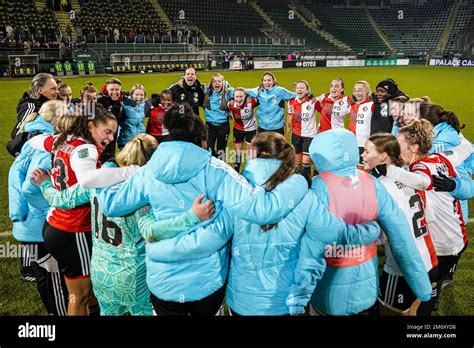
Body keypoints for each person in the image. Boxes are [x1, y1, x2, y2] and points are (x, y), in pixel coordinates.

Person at [97, 103, 310, 316]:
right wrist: (298, 181)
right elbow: (262, 209)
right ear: (202, 140)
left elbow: (111, 204)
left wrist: (109, 168)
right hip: (206, 281)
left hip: (163, 281)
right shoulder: (217, 170)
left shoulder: (148, 172)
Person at [31, 134, 215, 316]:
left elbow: (62, 199)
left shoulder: (97, 180)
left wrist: (45, 184)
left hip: (101, 273)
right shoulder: (142, 190)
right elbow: (150, 231)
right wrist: (192, 216)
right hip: (133, 276)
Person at [225, 132, 381, 316]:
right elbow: (335, 234)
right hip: (284, 302)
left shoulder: (232, 196)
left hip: (242, 301)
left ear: (251, 157)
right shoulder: (306, 196)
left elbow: (213, 243)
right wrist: (371, 231)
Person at [302, 128, 432, 316]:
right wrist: (422, 287)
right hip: (366, 289)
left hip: (326, 292)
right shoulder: (373, 183)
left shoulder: (316, 187)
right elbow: (402, 239)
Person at [28, 105, 139, 315]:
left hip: (56, 222)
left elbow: (34, 140)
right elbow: (88, 179)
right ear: (90, 125)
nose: (110, 138)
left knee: (84, 292)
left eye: (113, 133)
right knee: (80, 296)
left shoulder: (63, 139)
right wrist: (131, 172)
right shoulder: (85, 148)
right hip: (72, 229)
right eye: (107, 131)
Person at [395, 120, 469, 310]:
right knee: (430, 287)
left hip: (440, 246)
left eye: (398, 145)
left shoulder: (419, 170)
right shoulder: (440, 159)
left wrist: (388, 171)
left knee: (415, 296)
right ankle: (431, 297)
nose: (395, 149)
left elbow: (422, 183)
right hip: (456, 239)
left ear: (414, 148)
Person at [362, 133, 438, 315]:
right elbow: (430, 217)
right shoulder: (409, 179)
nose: (362, 155)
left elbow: (383, 237)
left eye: (366, 151)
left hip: (402, 269)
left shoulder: (381, 188)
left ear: (383, 156)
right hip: (429, 260)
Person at [8, 100, 69, 316]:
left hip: (27, 224)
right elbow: (29, 187)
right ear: (55, 120)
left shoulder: (32, 139)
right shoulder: (46, 147)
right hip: (39, 225)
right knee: (55, 281)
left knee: (43, 277)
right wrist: (51, 209)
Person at [7, 73, 59, 157]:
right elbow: (18, 132)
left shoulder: (47, 102)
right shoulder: (31, 107)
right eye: (53, 89)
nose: (57, 92)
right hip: (34, 155)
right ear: (40, 90)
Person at [286, 80, 317, 177]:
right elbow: (290, 114)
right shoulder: (291, 102)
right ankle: (299, 179)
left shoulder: (313, 101)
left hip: (309, 135)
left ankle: (307, 179)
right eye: (297, 88)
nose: (299, 89)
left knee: (306, 160)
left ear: (307, 90)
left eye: (302, 87)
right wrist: (287, 126)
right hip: (296, 134)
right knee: (297, 160)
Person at [203, 74, 233, 160]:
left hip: (223, 126)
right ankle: (212, 165)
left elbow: (239, 93)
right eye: (214, 81)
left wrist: (232, 105)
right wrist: (182, 78)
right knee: (209, 150)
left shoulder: (228, 93)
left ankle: (221, 168)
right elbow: (196, 85)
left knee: (221, 151)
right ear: (211, 84)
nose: (217, 83)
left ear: (223, 83)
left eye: (219, 81)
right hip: (209, 126)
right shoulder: (207, 92)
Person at [227, 87, 258, 172]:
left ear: (245, 97)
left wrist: (249, 92)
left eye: (241, 96)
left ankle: (248, 172)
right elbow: (226, 109)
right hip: (238, 130)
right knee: (238, 152)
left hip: (251, 130)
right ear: (233, 97)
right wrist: (230, 113)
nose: (239, 99)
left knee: (250, 154)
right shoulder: (230, 104)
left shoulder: (251, 102)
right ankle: (236, 172)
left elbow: (259, 93)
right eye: (237, 97)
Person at [97, 78, 126, 162]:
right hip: (101, 141)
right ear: (106, 90)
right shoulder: (100, 102)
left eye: (117, 89)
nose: (114, 92)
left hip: (113, 141)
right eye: (111, 89)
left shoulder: (120, 102)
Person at [348, 80, 374, 160]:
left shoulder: (371, 105)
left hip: (364, 143)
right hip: (352, 143)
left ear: (367, 91)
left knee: (362, 169)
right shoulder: (352, 105)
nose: (357, 93)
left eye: (360, 90)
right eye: (355, 90)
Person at [118, 84, 146, 149]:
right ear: (131, 94)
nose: (139, 97)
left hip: (140, 141)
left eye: (141, 95)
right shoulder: (125, 105)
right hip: (126, 142)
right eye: (136, 94)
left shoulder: (145, 105)